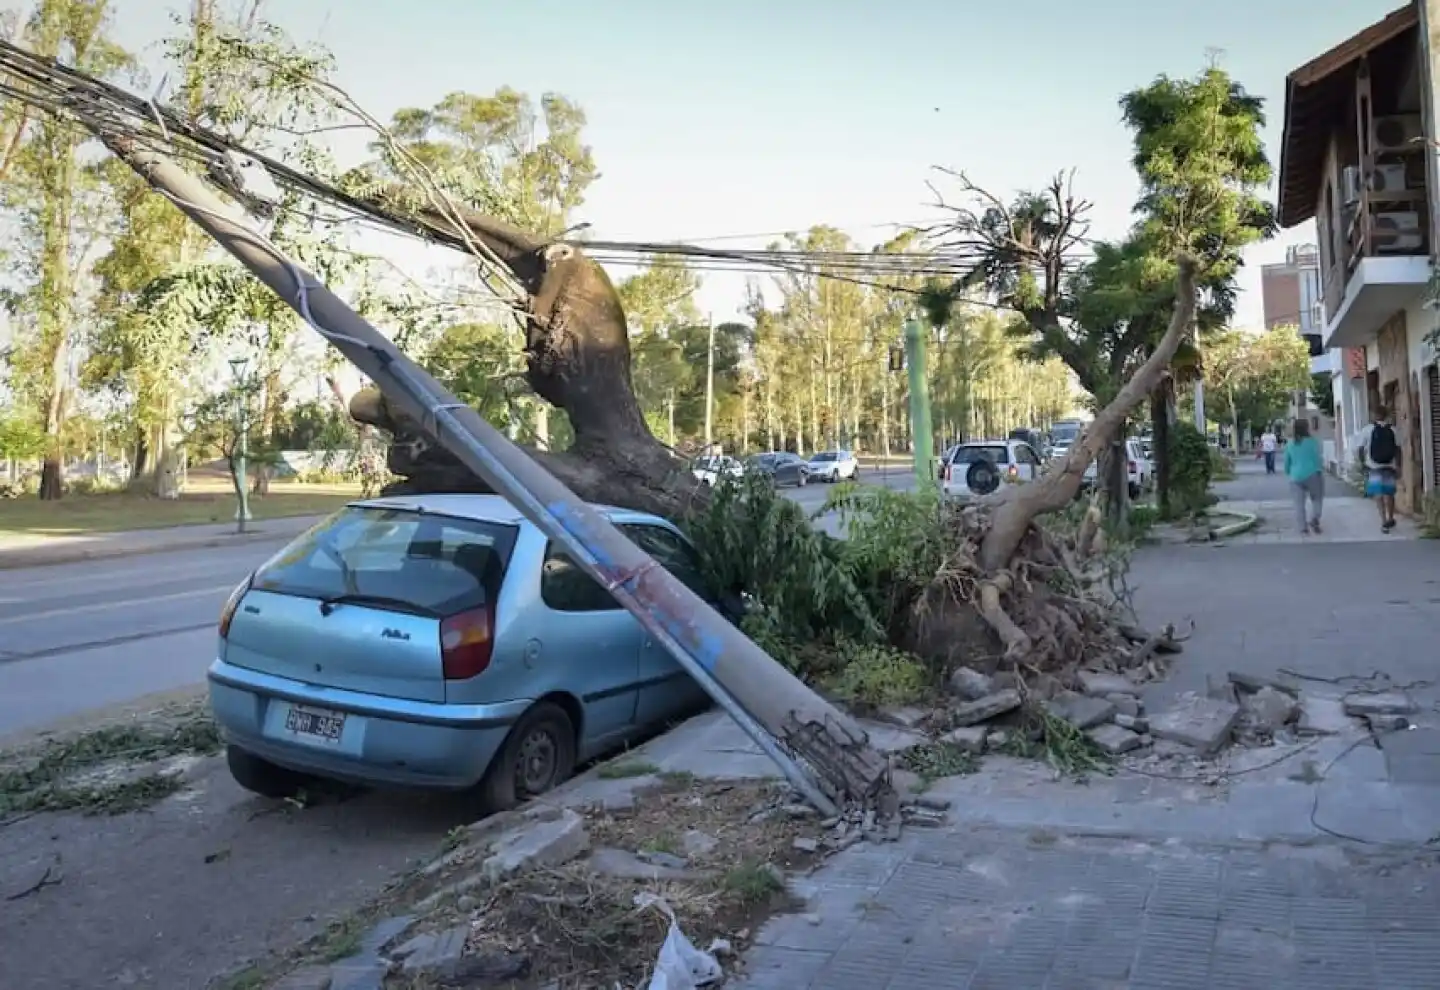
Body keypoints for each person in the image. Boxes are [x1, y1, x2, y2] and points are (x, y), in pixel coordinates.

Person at [1362, 406, 1401, 532]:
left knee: (1378, 495)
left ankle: (1383, 521)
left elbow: (1360, 448)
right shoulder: (1393, 430)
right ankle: (1390, 518)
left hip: (1374, 466)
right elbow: (1398, 449)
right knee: (1389, 493)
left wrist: (1363, 463)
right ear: (1386, 415)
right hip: (1389, 466)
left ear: (1374, 415)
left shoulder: (1368, 430)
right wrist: (1399, 465)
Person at [1284, 418, 1324, 535]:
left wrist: (1289, 472)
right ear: (1307, 428)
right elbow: (1318, 459)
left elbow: (1287, 462)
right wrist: (1319, 470)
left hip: (1295, 476)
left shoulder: (1290, 444)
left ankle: (1303, 528)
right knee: (1317, 499)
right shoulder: (1312, 442)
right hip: (1312, 474)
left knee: (1299, 504)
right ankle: (1314, 518)